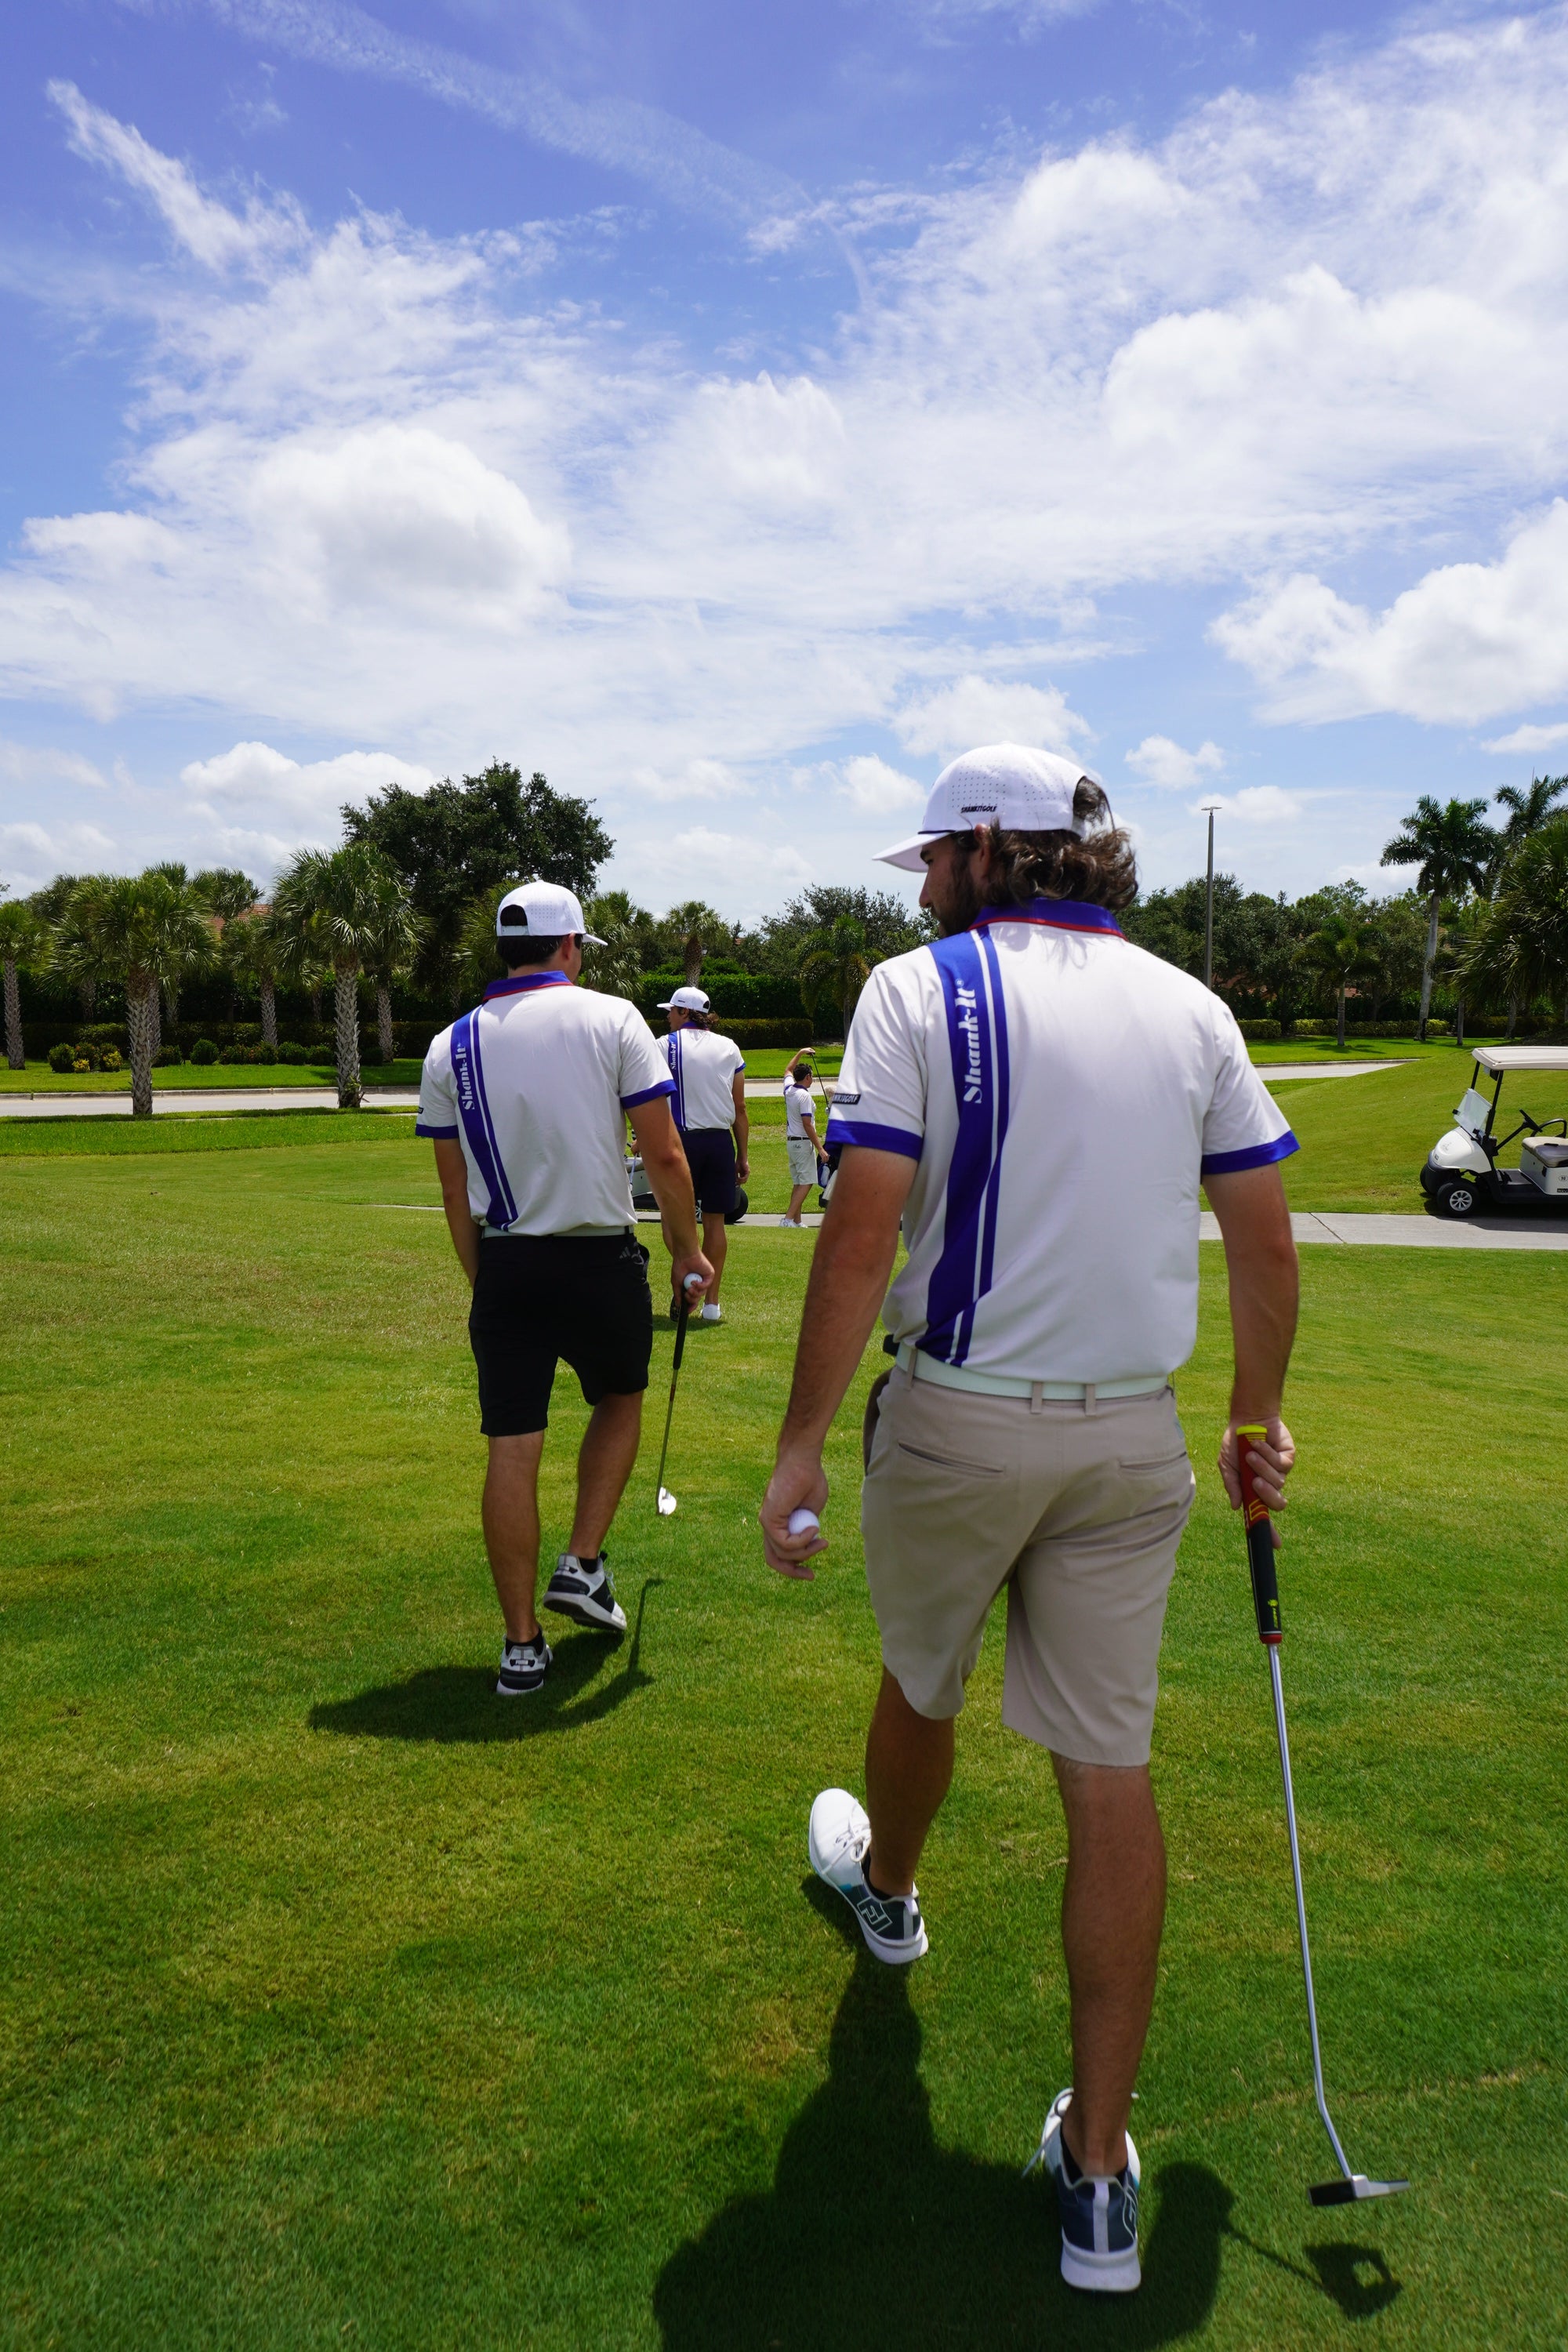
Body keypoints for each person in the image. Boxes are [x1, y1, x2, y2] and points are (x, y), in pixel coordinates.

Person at [759, 743, 1300, 2298]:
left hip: (955, 1416)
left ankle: (893, 1898)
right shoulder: (1190, 1007)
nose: (923, 881)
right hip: (1132, 1443)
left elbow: (862, 1227)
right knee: (1105, 1770)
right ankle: (1103, 2174)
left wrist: (799, 1444)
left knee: (923, 1677)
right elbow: (1263, 1247)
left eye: (935, 854)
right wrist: (1256, 1416)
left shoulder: (913, 990)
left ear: (993, 849)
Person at [419, 882, 712, 1699]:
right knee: (620, 1397)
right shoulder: (613, 1017)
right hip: (596, 1257)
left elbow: (451, 1191)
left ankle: (520, 1647)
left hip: (506, 1263)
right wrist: (687, 1249)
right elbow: (663, 1158)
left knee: (512, 1446)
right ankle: (581, 1561)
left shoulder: (450, 1045)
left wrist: (486, 1280)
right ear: (570, 947)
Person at [656, 985, 749, 1323]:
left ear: (683, 1013)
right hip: (720, 1143)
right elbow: (739, 1107)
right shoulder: (729, 1047)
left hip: (681, 1142)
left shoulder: (664, 1045)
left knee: (673, 1218)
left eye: (671, 1011)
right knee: (716, 1224)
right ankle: (712, 1304)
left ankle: (688, 1281)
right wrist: (743, 1154)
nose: (667, 1017)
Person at [780, 1057, 823, 1227]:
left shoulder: (789, 1089)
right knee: (807, 1182)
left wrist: (800, 1052)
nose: (812, 1079)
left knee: (798, 1182)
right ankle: (788, 1219)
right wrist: (821, 1148)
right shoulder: (804, 1095)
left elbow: (787, 1070)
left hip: (792, 1143)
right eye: (811, 1076)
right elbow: (807, 1124)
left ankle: (796, 1221)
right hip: (803, 1143)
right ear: (807, 1077)